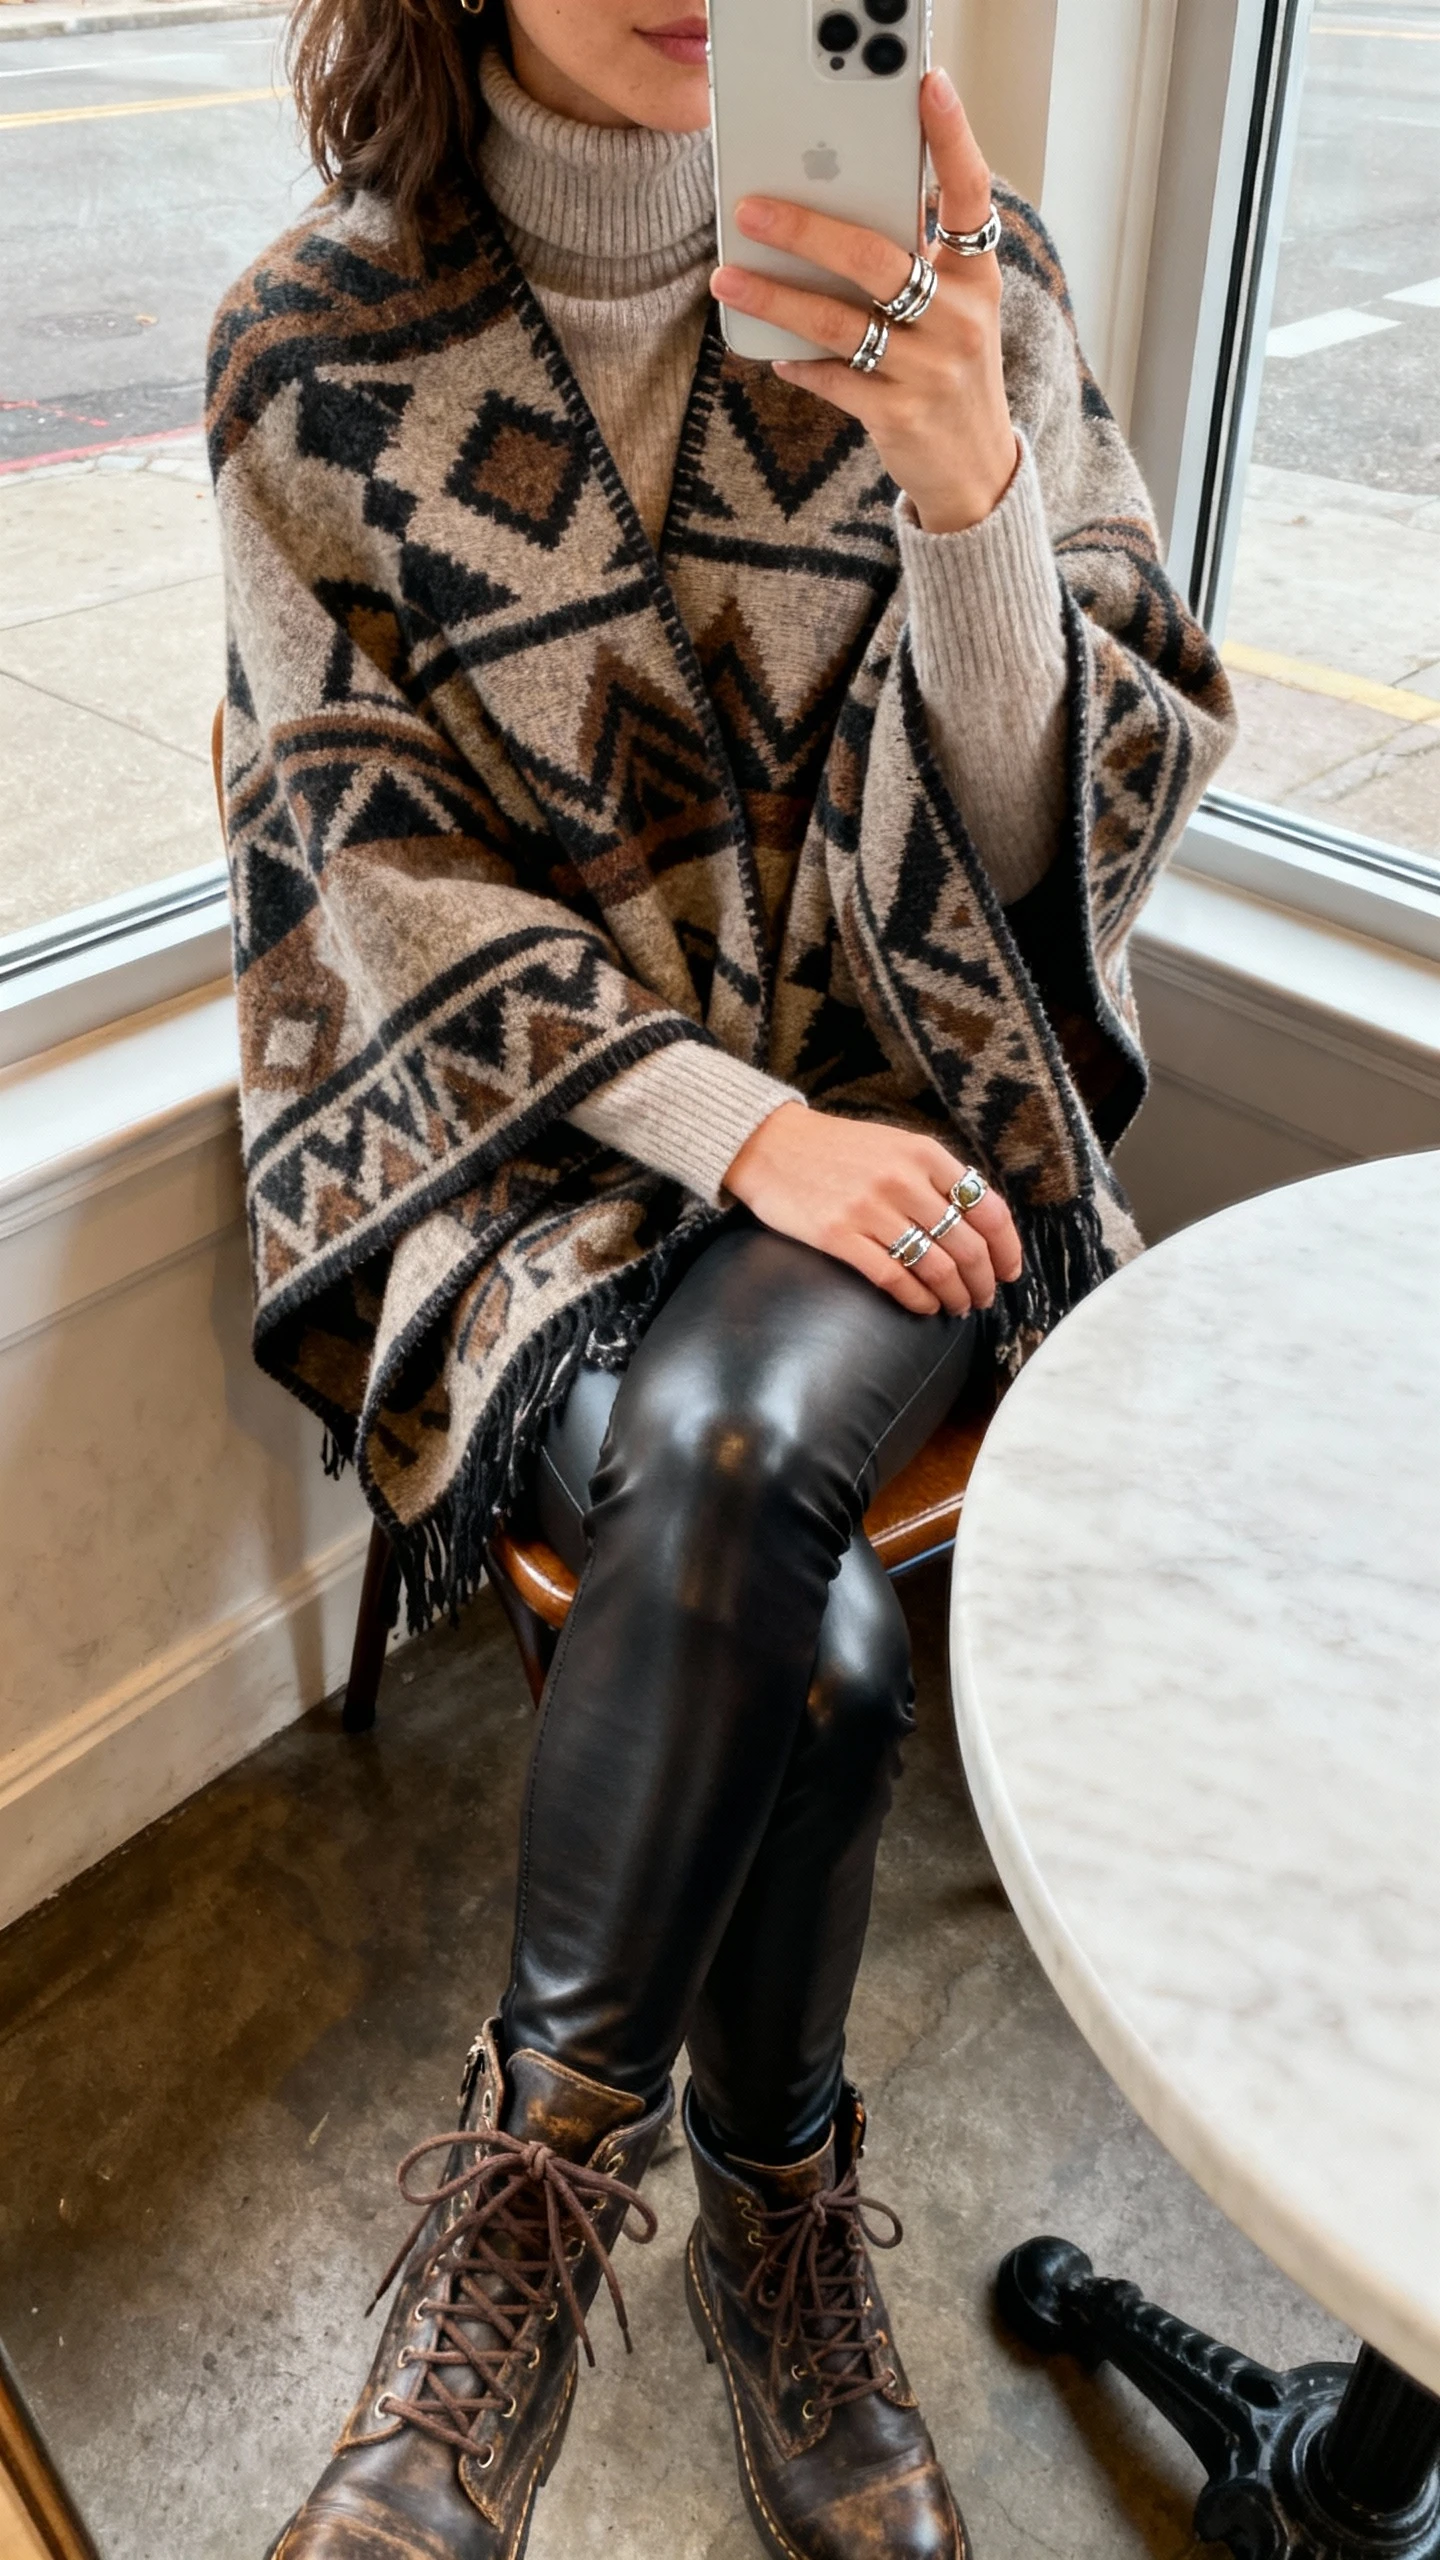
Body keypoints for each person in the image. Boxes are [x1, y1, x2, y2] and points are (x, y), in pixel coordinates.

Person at [208, 3, 1235, 2553]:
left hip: (905, 1099)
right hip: (539, 1169)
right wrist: (721, 1123)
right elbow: (369, 870)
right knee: (827, 1646)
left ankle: (509, 2255)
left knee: (758, 1438)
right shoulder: (307, 355)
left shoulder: (953, 270)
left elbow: (1042, 856)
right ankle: (774, 2206)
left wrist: (968, 475)